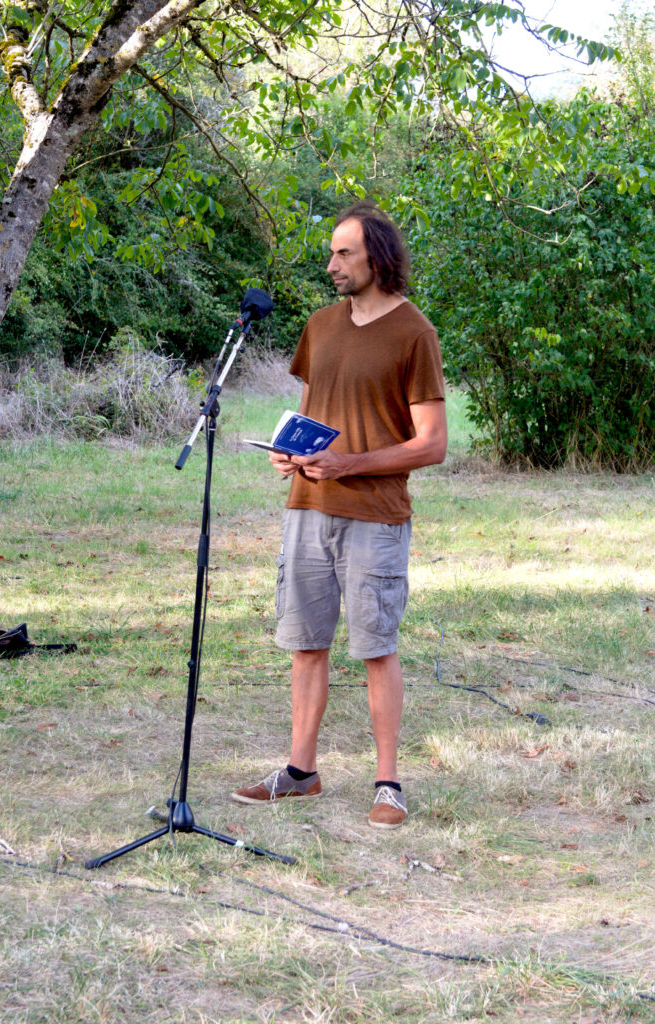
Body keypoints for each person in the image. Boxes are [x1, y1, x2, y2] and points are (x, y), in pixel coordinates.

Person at [231, 201, 447, 828]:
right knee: (305, 644)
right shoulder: (320, 326)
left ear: (377, 257)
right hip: (307, 509)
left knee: (376, 647)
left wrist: (349, 465)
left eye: (343, 253)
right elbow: (307, 414)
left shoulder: (414, 333)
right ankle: (301, 771)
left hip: (375, 515)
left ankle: (387, 784)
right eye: (331, 253)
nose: (331, 265)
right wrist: (287, 453)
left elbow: (431, 443)